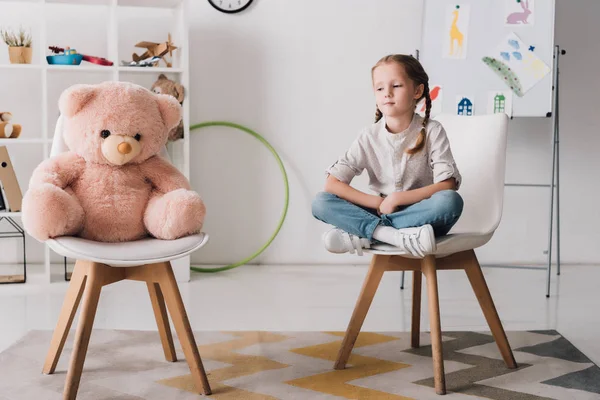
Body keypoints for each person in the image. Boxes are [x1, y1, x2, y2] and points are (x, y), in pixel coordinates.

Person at [312, 54, 464, 257]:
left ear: (417, 91)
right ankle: (390, 235)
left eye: (397, 86)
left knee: (450, 202)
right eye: (380, 88)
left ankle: (368, 233)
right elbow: (332, 184)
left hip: (423, 216)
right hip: (383, 211)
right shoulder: (368, 136)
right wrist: (378, 203)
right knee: (321, 202)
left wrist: (398, 198)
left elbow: (447, 185)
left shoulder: (432, 131)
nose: (387, 94)